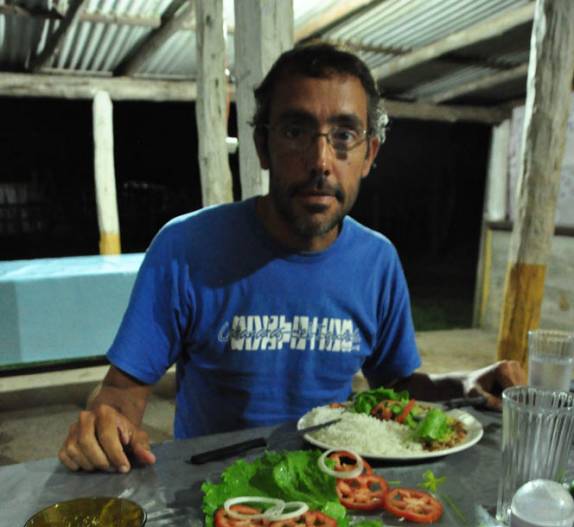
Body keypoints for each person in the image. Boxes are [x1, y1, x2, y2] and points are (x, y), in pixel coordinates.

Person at [59, 43, 525, 474]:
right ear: (263, 146)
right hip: (209, 494)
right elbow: (122, 390)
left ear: (369, 155)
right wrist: (105, 424)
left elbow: (397, 388)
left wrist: (463, 384)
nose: (320, 160)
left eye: (344, 135)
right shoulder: (186, 249)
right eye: (296, 131)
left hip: (334, 488)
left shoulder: (377, 261)